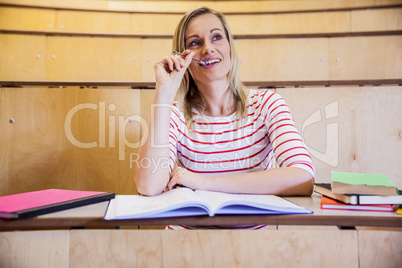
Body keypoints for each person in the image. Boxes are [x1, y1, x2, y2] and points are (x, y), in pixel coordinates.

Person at [134, 7, 315, 229]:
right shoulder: (173, 114)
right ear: (182, 57)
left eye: (217, 37)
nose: (208, 49)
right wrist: (163, 92)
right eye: (194, 43)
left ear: (230, 47)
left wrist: (206, 183)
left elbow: (303, 177)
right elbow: (148, 186)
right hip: (182, 247)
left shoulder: (267, 104)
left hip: (251, 249)